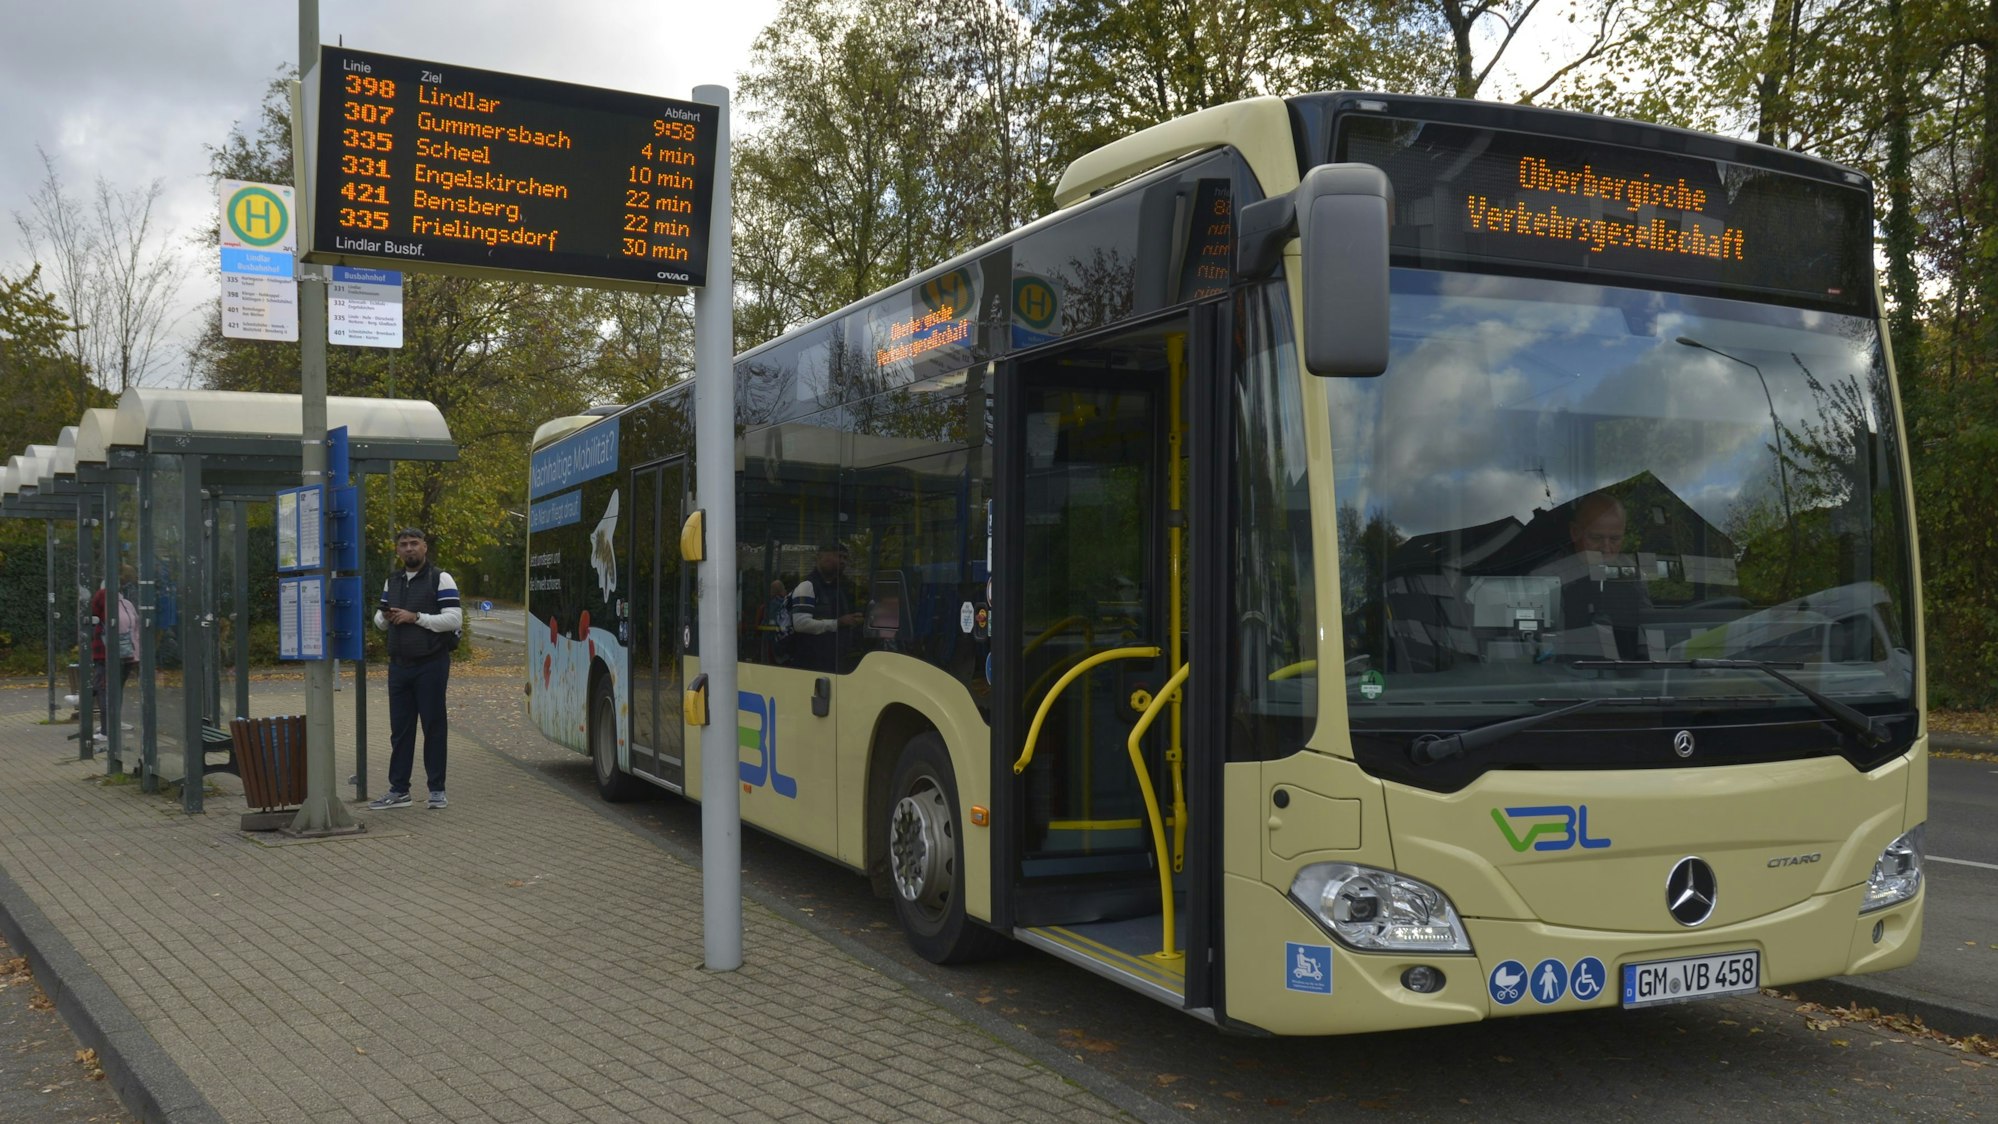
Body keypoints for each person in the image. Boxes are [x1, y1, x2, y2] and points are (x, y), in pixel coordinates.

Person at [369, 527, 462, 810]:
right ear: (397, 550)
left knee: (433, 727)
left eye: (414, 543)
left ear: (425, 547)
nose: (409, 549)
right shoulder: (393, 580)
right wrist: (385, 618)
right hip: (398, 666)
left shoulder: (440, 578)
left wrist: (416, 617)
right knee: (400, 730)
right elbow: (379, 619)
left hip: (430, 664)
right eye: (403, 545)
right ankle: (399, 790)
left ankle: (437, 790)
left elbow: (454, 619)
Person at [1536, 492, 1651, 660]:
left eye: (1615, 539)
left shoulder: (1630, 572)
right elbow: (1546, 645)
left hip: (1628, 671)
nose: (1606, 548)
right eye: (1596, 538)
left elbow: (1649, 626)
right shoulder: (1548, 578)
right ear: (1575, 532)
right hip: (1569, 674)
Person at [788, 541, 862, 672]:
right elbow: (801, 624)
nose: (843, 562)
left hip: (833, 661)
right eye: (838, 556)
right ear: (820, 557)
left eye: (845, 558)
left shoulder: (839, 588)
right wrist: (838, 623)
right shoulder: (807, 586)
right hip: (810, 663)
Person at [89, 563, 140, 745]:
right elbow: (136, 630)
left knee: (104, 689)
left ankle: (106, 730)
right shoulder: (127, 604)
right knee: (116, 690)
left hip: (106, 654)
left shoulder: (104, 597)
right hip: (128, 655)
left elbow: (90, 615)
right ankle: (113, 723)